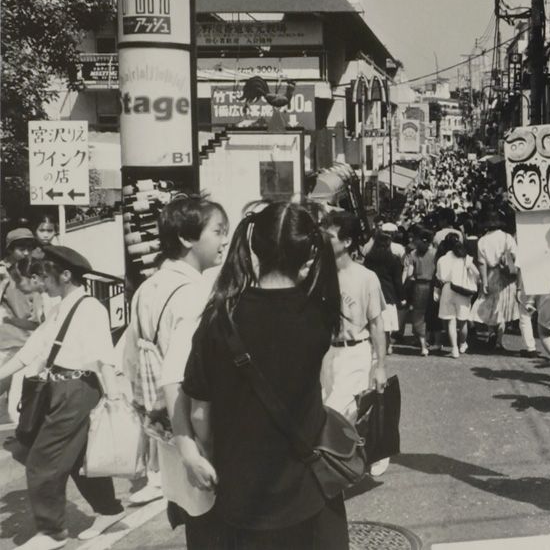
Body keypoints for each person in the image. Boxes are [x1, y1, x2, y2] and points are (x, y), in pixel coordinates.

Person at [182, 201, 349, 548]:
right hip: (307, 495)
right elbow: (326, 387)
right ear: (307, 255)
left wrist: (209, 454)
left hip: (241, 498)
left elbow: (199, 413)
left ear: (255, 246)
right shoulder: (318, 317)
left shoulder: (220, 318)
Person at [0, 246, 125, 550]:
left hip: (76, 390)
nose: (41, 280)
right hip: (59, 390)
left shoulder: (90, 307)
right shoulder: (60, 307)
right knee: (78, 457)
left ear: (66, 275)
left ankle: (52, 532)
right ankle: (109, 510)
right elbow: (33, 350)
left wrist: (115, 401)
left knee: (42, 460)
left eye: (45, 274)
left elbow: (103, 358)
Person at [122, 197, 228, 533]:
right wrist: (200, 447)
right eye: (218, 231)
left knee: (193, 520)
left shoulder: (147, 288)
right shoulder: (195, 293)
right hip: (195, 431)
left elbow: (128, 361)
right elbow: (186, 376)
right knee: (214, 524)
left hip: (164, 429)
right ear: (187, 238)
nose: (225, 240)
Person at [321, 211, 390, 477]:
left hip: (356, 351)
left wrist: (380, 365)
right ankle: (358, 454)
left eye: (329, 236)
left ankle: (338, 471)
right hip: (326, 353)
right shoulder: (316, 274)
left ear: (347, 241)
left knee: (340, 411)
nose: (323, 240)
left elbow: (376, 324)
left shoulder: (366, 278)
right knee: (326, 409)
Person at [0, 229, 43, 416]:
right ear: (10, 249)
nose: (26, 253)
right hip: (6, 342)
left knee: (18, 398)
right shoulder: (2, 272)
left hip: (28, 343)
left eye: (29, 248)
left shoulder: (33, 273)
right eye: (20, 248)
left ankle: (20, 435)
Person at [471, 215, 520, 351]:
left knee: (491, 307)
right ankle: (499, 340)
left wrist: (484, 282)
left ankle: (491, 333)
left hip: (491, 274)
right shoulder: (507, 237)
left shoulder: (482, 241)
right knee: (502, 308)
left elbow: (481, 263)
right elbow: (515, 256)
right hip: (506, 277)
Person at [435, 233, 478, 358]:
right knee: (463, 321)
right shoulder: (465, 258)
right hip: (463, 291)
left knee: (450, 321)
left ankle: (454, 349)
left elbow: (439, 278)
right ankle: (463, 344)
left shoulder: (441, 260)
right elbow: (477, 274)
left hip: (447, 289)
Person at [364, 233, 404, 355]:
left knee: (374, 321)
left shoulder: (369, 257)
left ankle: (375, 346)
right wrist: (401, 296)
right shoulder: (394, 259)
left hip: (372, 292)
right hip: (388, 293)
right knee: (387, 324)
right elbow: (397, 280)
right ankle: (387, 345)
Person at [403, 228, 438, 356]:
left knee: (419, 315)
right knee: (431, 313)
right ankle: (431, 338)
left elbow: (410, 273)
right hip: (432, 286)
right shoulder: (435, 253)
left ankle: (423, 346)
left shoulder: (413, 254)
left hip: (418, 287)